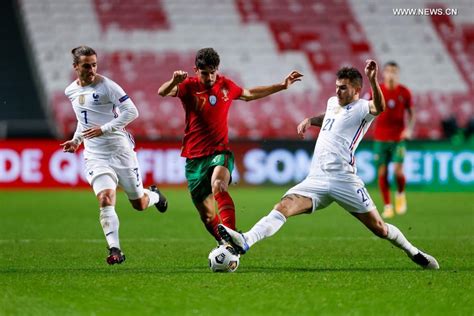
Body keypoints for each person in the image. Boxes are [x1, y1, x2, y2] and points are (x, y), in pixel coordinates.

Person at [219, 60, 439, 270]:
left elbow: (379, 106)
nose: (337, 91)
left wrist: (373, 79)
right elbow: (330, 117)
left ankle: (414, 252)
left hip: (344, 179)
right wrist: (310, 120)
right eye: (336, 87)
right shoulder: (333, 103)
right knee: (282, 207)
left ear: (355, 90)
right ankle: (246, 240)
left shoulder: (363, 108)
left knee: (380, 229)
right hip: (316, 178)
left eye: (343, 88)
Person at [158, 47, 302, 244]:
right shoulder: (188, 86)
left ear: (217, 70)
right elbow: (162, 92)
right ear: (195, 70)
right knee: (207, 217)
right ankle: (225, 243)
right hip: (194, 158)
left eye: (212, 72)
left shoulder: (225, 84)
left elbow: (249, 94)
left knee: (219, 185)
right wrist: (174, 80)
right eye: (204, 73)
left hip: (220, 151)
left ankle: (233, 237)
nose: (209, 77)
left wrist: (281, 85)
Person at [61, 46, 168, 265]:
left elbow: (132, 111)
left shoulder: (107, 86)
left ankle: (155, 195)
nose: (91, 69)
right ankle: (115, 249)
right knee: (105, 198)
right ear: (75, 67)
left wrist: (105, 128)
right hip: (95, 154)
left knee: (139, 204)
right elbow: (84, 121)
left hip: (120, 151)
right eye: (86, 65)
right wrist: (76, 140)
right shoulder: (70, 91)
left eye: (94, 64)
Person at [372, 61, 415, 219]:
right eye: (388, 71)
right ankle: (388, 206)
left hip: (398, 138)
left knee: (398, 171)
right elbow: (366, 107)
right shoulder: (377, 90)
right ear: (384, 73)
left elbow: (412, 113)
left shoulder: (404, 92)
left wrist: (409, 129)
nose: (391, 74)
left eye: (394, 71)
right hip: (381, 138)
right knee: (382, 172)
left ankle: (400, 193)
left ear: (398, 73)